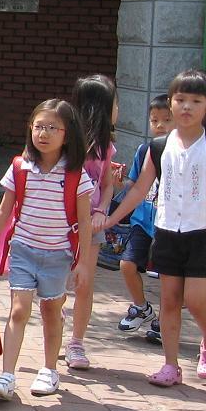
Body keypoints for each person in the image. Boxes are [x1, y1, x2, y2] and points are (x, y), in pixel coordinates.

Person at [101, 69, 206, 385]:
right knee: (169, 301)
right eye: (180, 99)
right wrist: (111, 218)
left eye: (196, 100)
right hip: (166, 232)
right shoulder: (159, 145)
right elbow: (140, 189)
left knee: (195, 300)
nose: (187, 107)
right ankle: (170, 365)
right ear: (171, 102)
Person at [0, 100, 94, 400]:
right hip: (23, 248)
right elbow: (3, 210)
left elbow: (85, 221)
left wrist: (83, 263)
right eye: (39, 126)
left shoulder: (76, 175)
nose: (44, 133)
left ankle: (49, 370)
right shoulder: (20, 167)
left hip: (59, 255)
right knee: (19, 309)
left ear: (68, 134)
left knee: (51, 311)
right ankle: (7, 374)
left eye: (53, 127)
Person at [64, 74, 118, 371]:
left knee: (84, 282)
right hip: (60, 222)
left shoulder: (106, 147)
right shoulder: (67, 140)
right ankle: (55, 325)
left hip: (91, 226)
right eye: (115, 102)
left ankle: (76, 343)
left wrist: (102, 211)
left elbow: (107, 185)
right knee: (57, 281)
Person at [117, 95, 172, 343]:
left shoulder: (181, 152)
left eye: (166, 120)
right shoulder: (145, 150)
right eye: (154, 120)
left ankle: (163, 319)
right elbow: (134, 182)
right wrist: (120, 183)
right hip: (142, 220)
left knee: (165, 275)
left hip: (168, 225)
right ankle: (141, 307)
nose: (159, 125)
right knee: (127, 265)